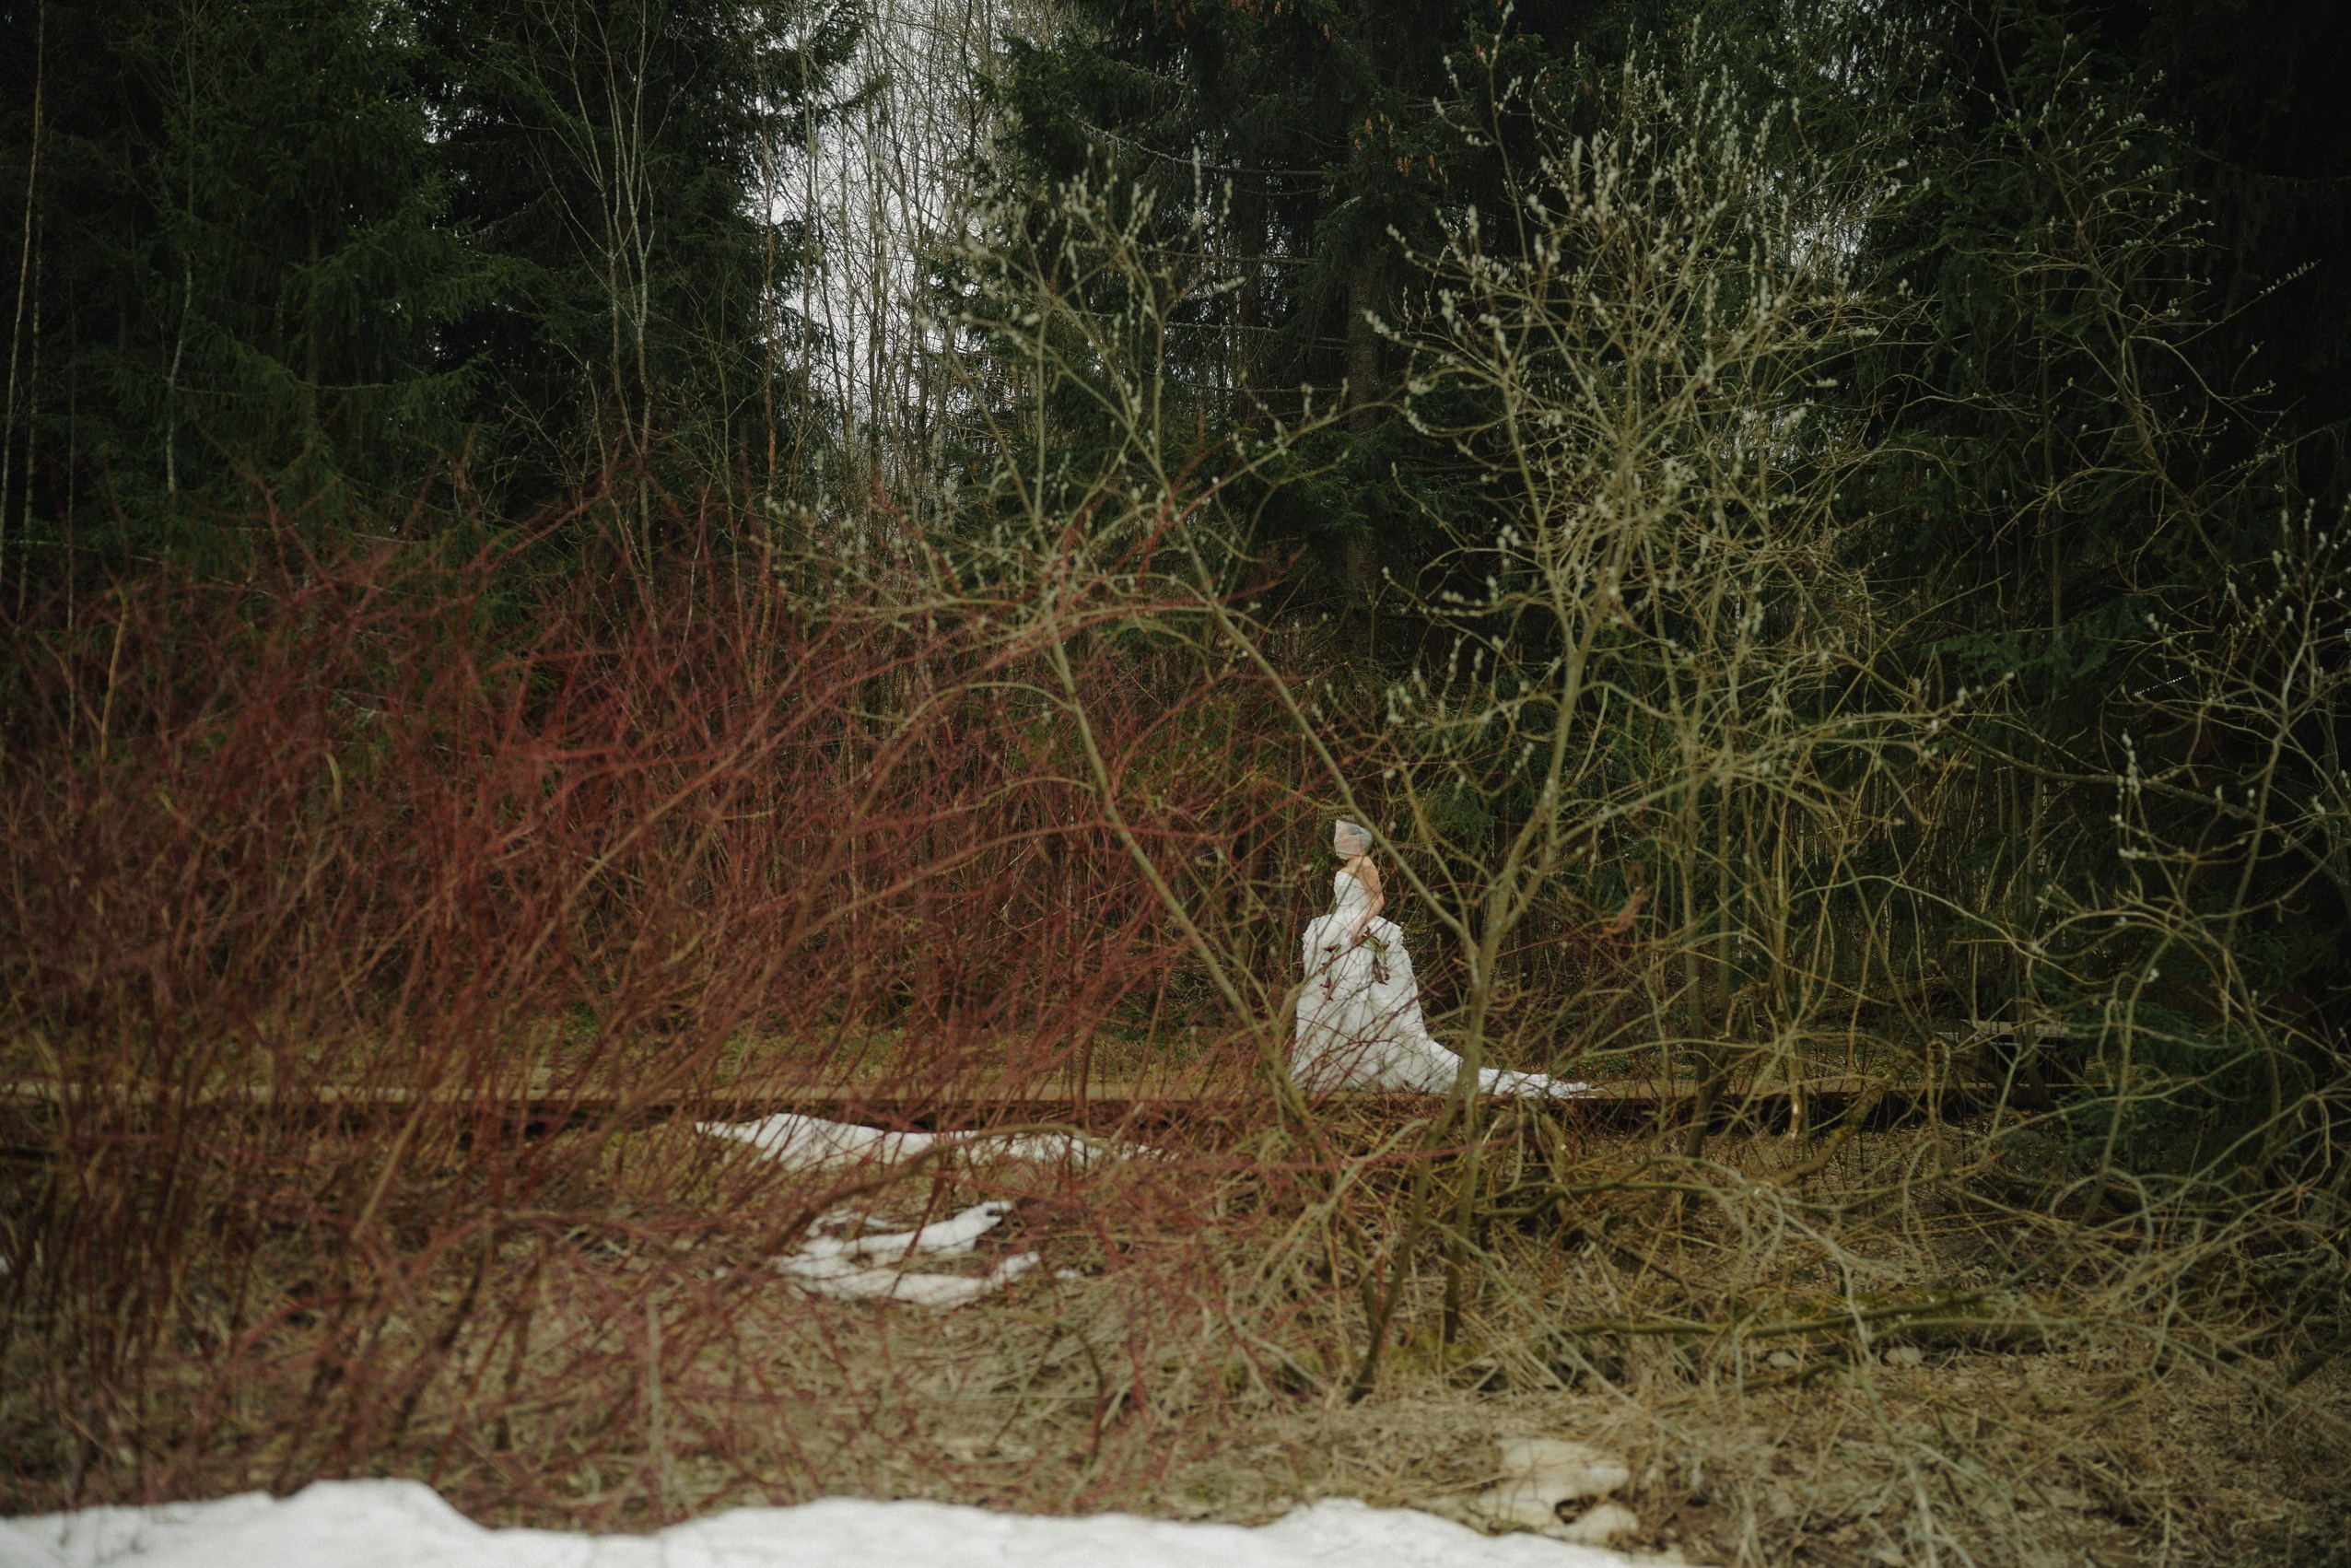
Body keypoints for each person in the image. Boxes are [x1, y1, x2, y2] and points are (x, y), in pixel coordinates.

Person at [1291, 820, 1593, 1097]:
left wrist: (1358, 925)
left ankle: (1375, 1064)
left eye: (1344, 839)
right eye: (1338, 839)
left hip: (1358, 929)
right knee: (1335, 998)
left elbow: (1379, 900)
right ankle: (1342, 1066)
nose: (1339, 843)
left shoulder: (1365, 863)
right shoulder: (1345, 868)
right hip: (1339, 929)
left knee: (1368, 998)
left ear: (1358, 843)